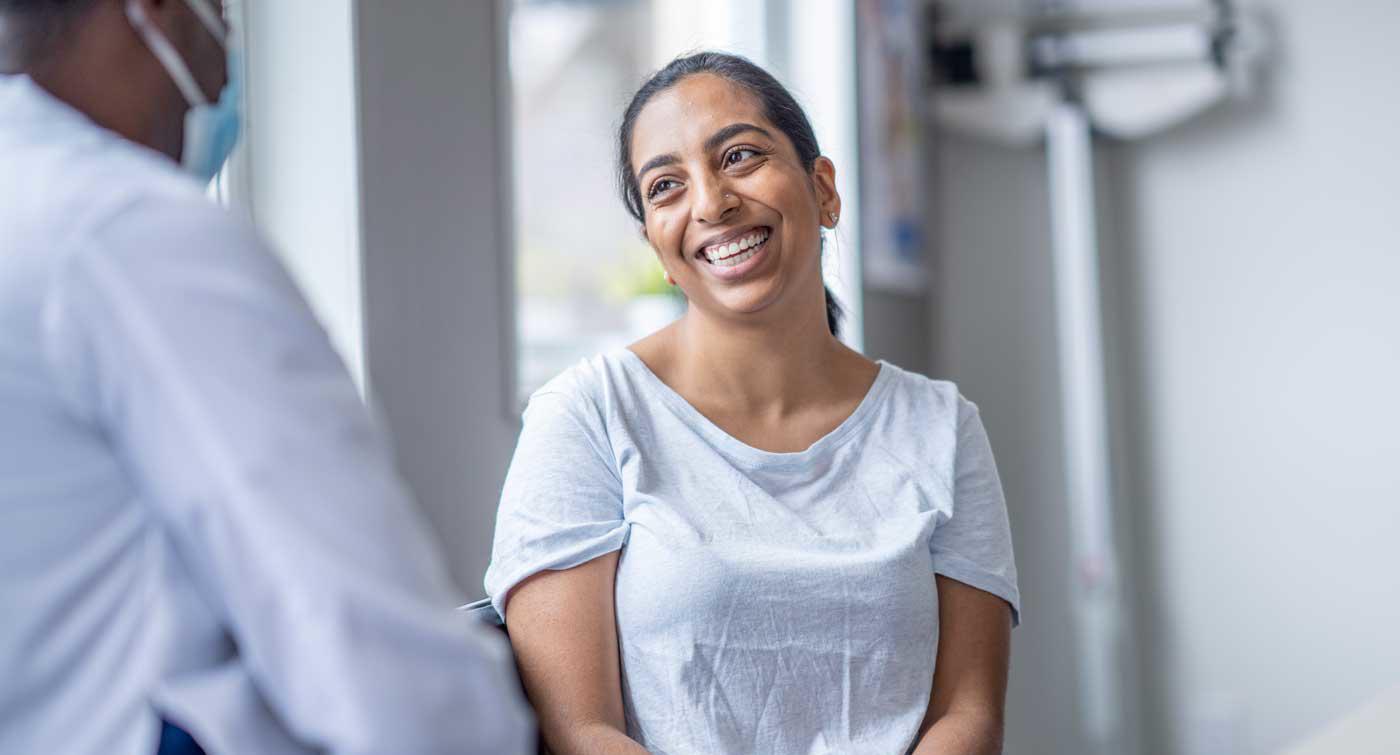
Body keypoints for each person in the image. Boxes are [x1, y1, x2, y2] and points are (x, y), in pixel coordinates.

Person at [0, 1, 533, 753]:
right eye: (220, 15)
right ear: (154, 11)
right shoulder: (130, 231)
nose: (225, 65)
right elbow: (384, 660)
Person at [484, 51, 1021, 755]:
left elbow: (968, 714)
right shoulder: (586, 416)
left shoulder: (942, 426)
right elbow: (581, 730)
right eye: (666, 186)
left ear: (823, 190)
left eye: (739, 156)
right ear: (656, 245)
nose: (711, 203)